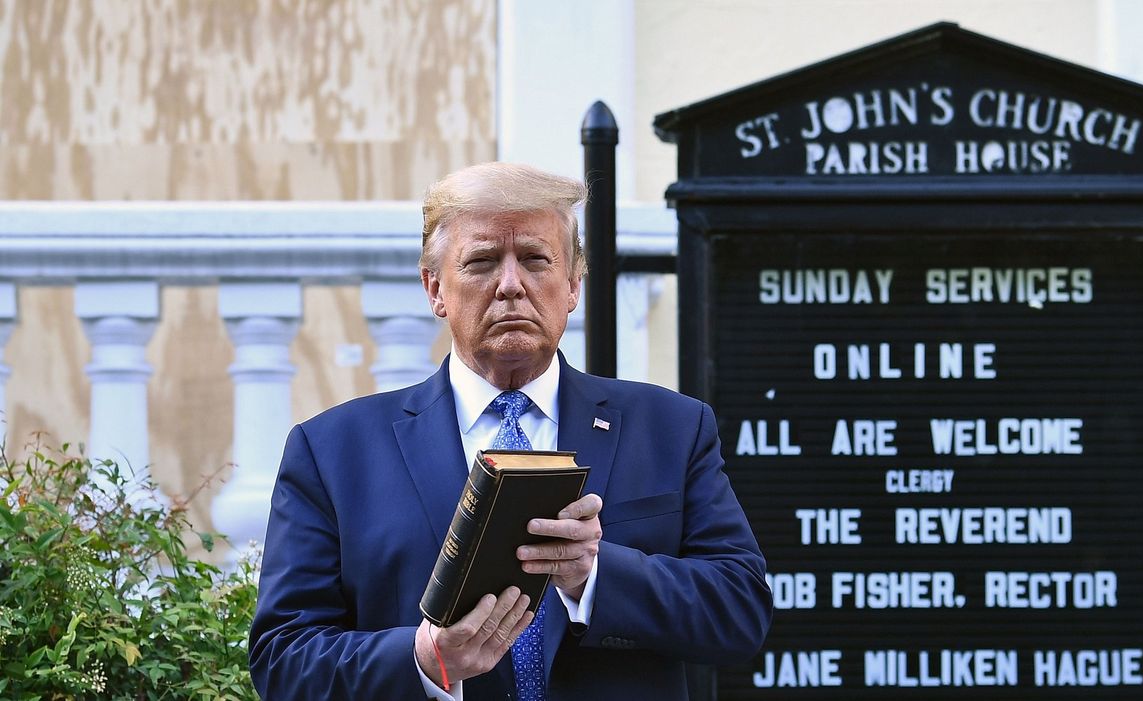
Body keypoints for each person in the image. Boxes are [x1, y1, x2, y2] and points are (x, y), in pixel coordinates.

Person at [248, 162, 771, 700]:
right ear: (435, 289)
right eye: (481, 262)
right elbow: (282, 661)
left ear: (572, 285)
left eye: (535, 259)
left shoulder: (671, 429)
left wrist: (595, 575)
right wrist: (423, 661)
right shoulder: (333, 452)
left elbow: (740, 610)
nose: (511, 285)